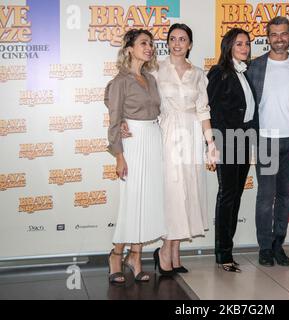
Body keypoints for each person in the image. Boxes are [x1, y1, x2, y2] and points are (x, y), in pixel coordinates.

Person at [121, 24, 217, 274]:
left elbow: (203, 110)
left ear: (190, 44)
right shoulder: (155, 69)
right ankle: (165, 249)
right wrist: (124, 118)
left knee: (188, 190)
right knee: (172, 193)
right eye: (172, 38)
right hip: (165, 134)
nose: (177, 43)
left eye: (183, 39)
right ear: (167, 43)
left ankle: (174, 252)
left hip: (193, 134)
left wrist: (210, 143)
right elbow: (133, 90)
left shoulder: (198, 73)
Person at [104, 29, 166, 283]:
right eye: (143, 43)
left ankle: (136, 256)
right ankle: (116, 255)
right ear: (129, 48)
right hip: (134, 145)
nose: (149, 47)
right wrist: (119, 156)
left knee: (147, 203)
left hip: (154, 140)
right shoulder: (120, 81)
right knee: (132, 203)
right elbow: (114, 118)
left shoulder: (151, 79)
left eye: (151, 44)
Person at [247, 16, 289, 267]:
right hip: (266, 141)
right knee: (266, 195)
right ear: (268, 37)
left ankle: (277, 245)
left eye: (284, 34)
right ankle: (264, 247)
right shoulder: (255, 66)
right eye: (274, 35)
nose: (279, 39)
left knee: (285, 195)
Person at [207, 28, 258, 272]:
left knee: (235, 196)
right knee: (227, 196)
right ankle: (223, 253)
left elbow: (249, 111)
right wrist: (213, 145)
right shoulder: (219, 73)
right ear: (228, 47)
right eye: (239, 44)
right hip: (227, 142)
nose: (245, 48)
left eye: (247, 44)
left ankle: (228, 249)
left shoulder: (245, 73)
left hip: (244, 141)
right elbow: (212, 110)